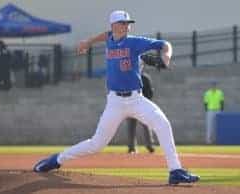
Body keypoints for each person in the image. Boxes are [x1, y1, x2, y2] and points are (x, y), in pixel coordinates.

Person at [33, 10, 200, 185]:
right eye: (122, 23)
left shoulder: (134, 42)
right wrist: (88, 42)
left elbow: (165, 44)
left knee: (163, 124)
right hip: (115, 103)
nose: (127, 26)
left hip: (136, 99)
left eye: (128, 23)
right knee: (96, 144)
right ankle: (56, 159)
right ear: (114, 26)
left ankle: (175, 170)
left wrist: (166, 57)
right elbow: (106, 35)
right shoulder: (110, 39)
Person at [127, 60, 155, 154]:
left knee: (146, 125)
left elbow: (150, 92)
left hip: (143, 105)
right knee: (131, 127)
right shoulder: (130, 77)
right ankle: (132, 147)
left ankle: (150, 146)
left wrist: (146, 102)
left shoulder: (145, 78)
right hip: (131, 105)